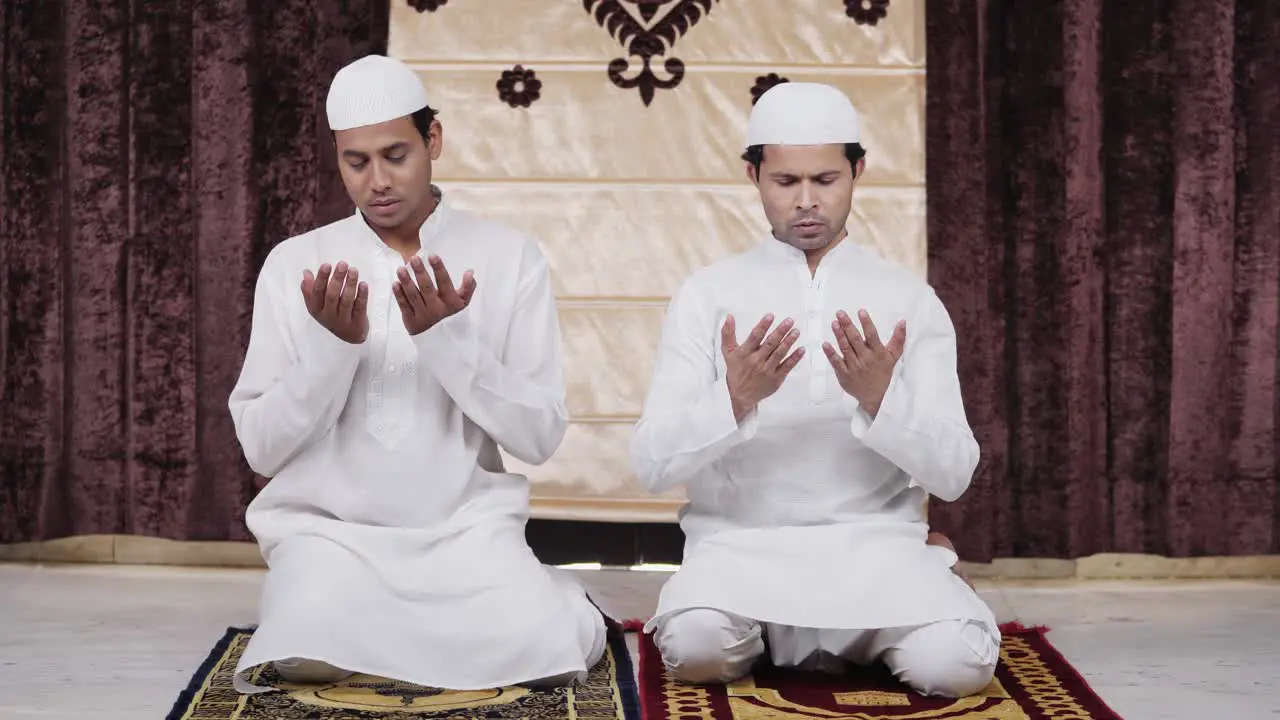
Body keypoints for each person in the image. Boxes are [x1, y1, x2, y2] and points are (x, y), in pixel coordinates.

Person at [227, 54, 604, 693]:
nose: (377, 181)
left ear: (433, 140)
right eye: (357, 161)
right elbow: (262, 446)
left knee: (549, 650)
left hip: (466, 532)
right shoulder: (297, 263)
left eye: (396, 155)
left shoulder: (508, 257)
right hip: (332, 537)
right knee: (305, 653)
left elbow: (538, 437)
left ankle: (557, 602)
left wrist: (448, 342)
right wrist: (332, 350)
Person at [629, 82, 1000, 698]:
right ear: (753, 175)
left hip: (874, 547)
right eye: (785, 182)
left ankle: (931, 573)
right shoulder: (706, 296)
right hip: (741, 546)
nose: (806, 202)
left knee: (957, 666)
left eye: (826, 180)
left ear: (858, 170)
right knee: (694, 648)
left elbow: (955, 473)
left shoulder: (908, 300)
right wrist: (735, 399)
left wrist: (882, 400)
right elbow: (650, 464)